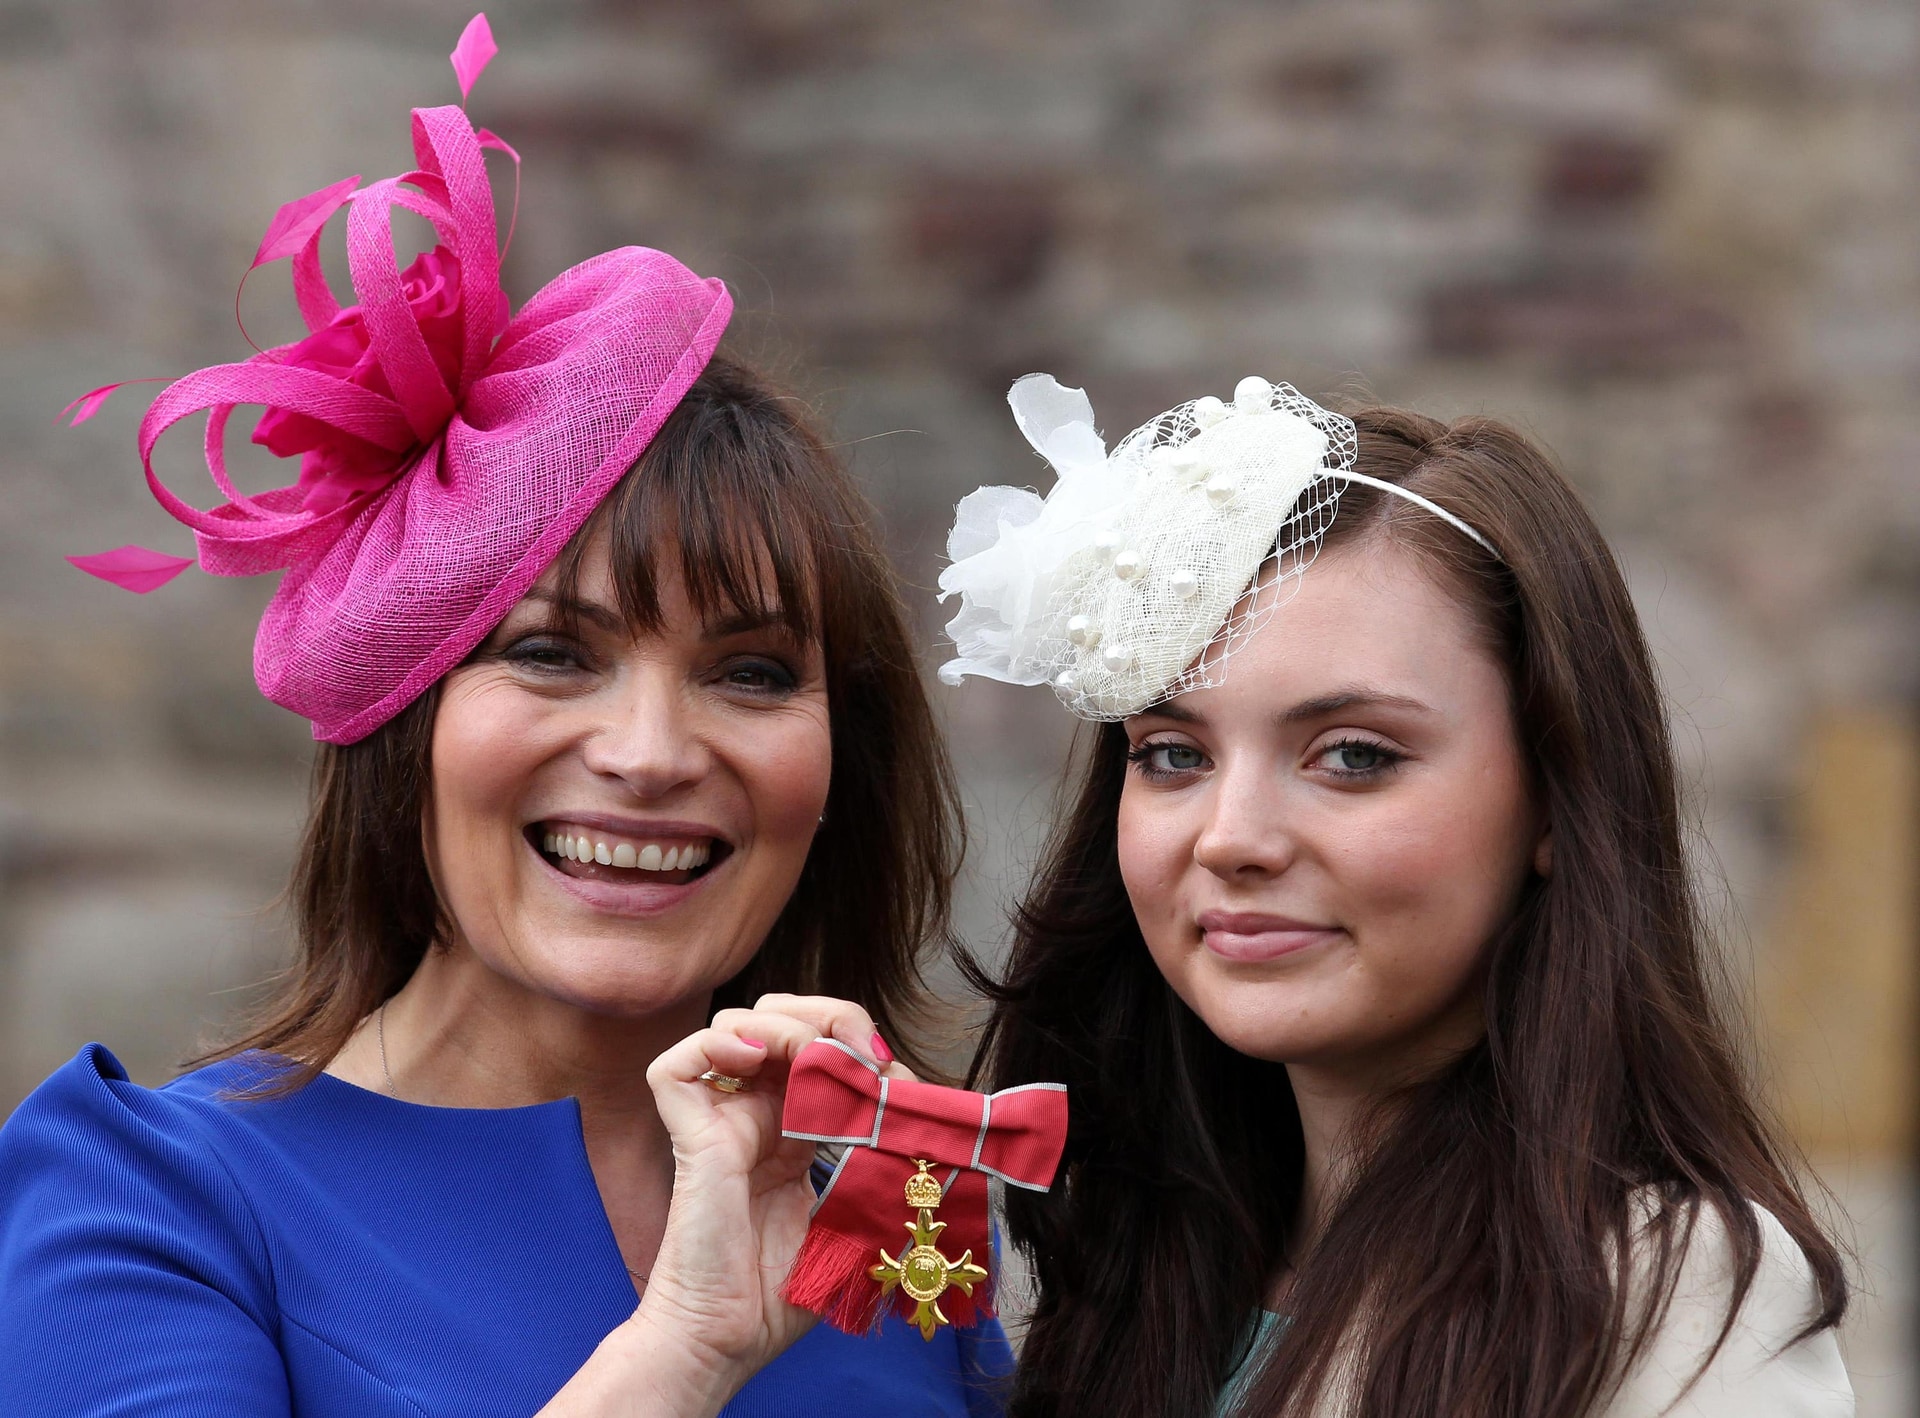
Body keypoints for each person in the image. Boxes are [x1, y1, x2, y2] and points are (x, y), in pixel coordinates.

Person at [0, 25, 1007, 1418]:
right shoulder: (155, 1198)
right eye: (550, 653)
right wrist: (687, 1347)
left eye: (755, 673)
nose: (652, 752)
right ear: (409, 724)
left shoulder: (902, 1194)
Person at [938, 374, 1854, 1416]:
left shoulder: (1670, 1303)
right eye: (1175, 753)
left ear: (1555, 798)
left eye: (1355, 754)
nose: (1232, 835)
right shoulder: (1071, 1266)